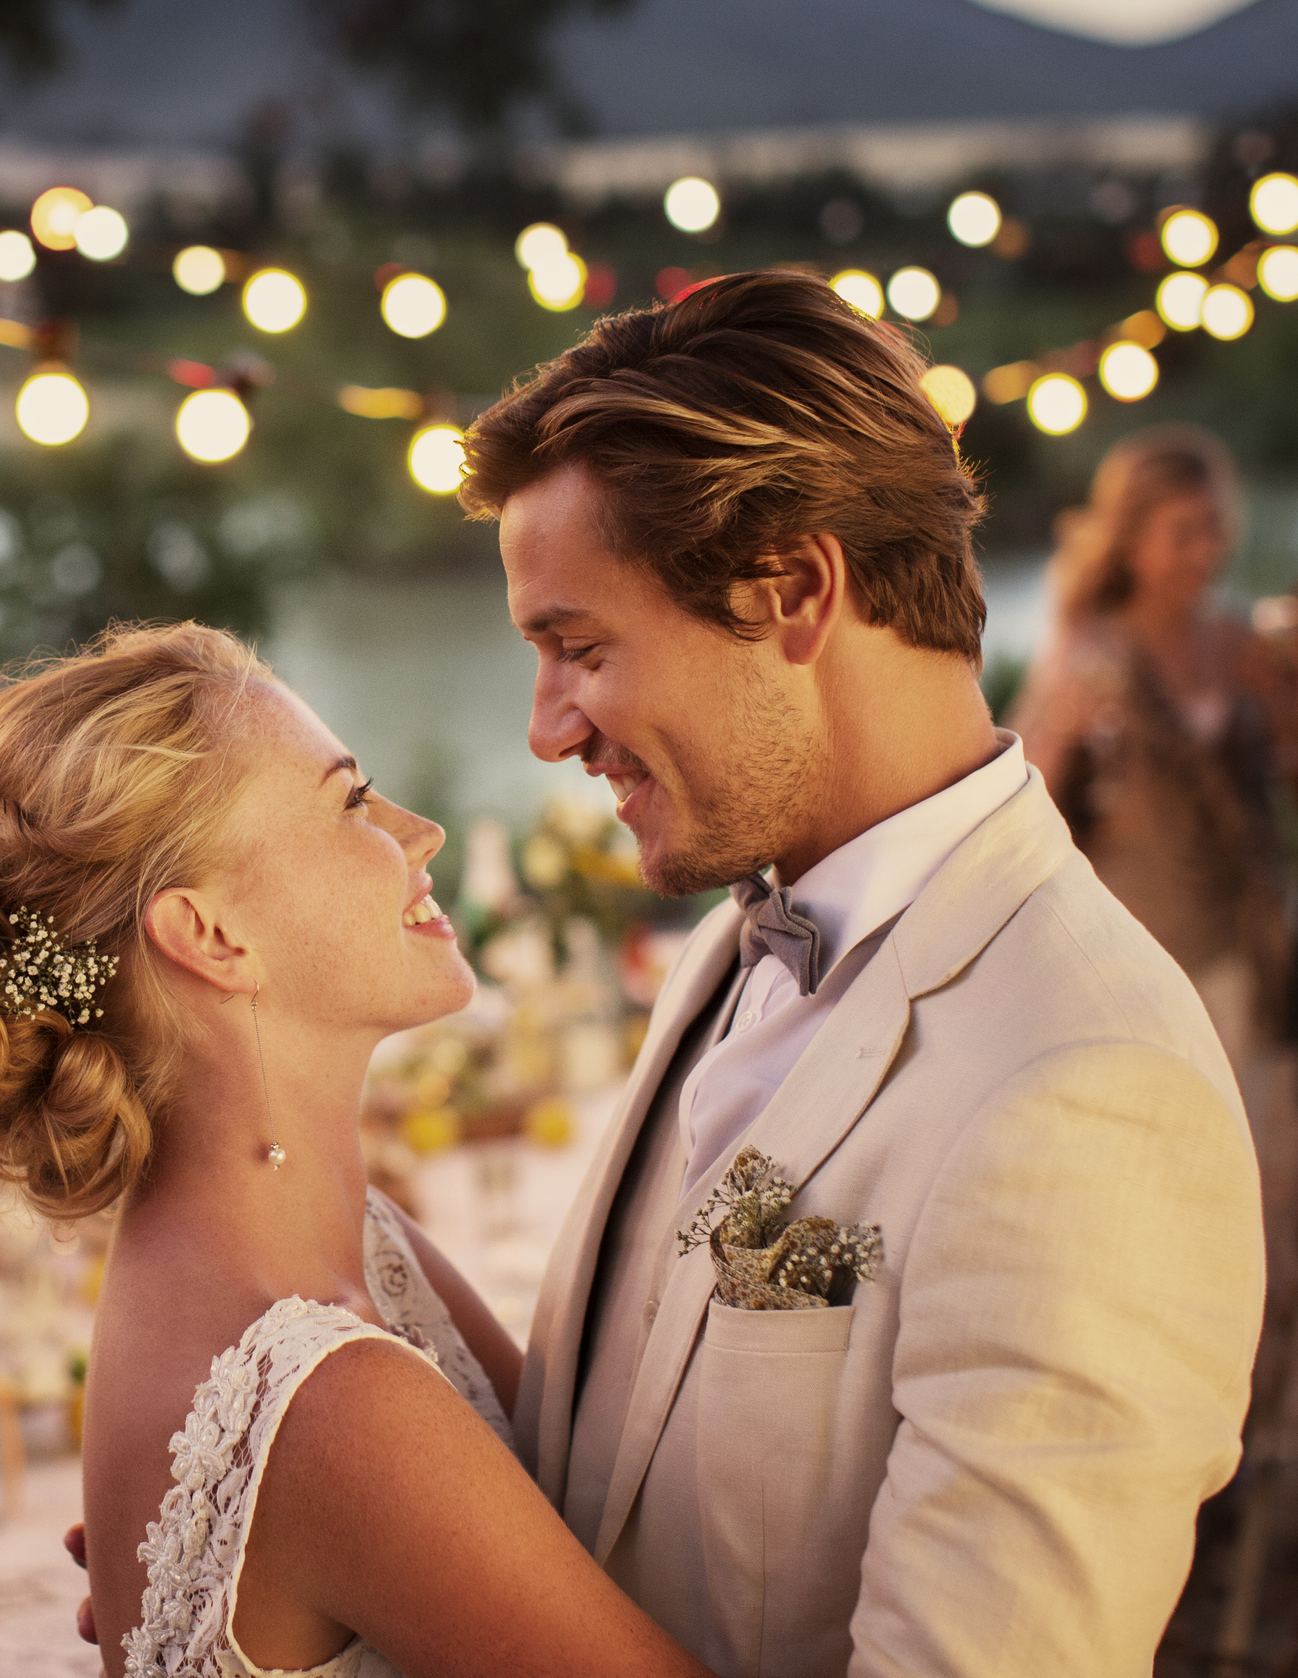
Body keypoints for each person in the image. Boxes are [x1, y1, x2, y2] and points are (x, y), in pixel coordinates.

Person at [452, 270, 1265, 1675]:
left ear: (796, 590)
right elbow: (620, 1456)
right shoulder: (734, 935)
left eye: (579, 646)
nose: (547, 731)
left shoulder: (1088, 1088)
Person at [0, 623, 716, 1678]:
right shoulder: (331, 1402)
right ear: (211, 935)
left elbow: (579, 1508)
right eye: (352, 802)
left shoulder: (356, 1245)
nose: (424, 831)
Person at [1011, 427, 1296, 1405]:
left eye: (1214, 529)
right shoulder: (1091, 656)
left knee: (1256, 1173)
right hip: (1143, 955)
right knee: (1165, 1178)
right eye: (1182, 533)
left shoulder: (1242, 643)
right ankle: (1164, 1382)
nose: (1205, 552)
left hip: (1244, 944)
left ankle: (1244, 1392)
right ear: (1130, 541)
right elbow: (1028, 809)